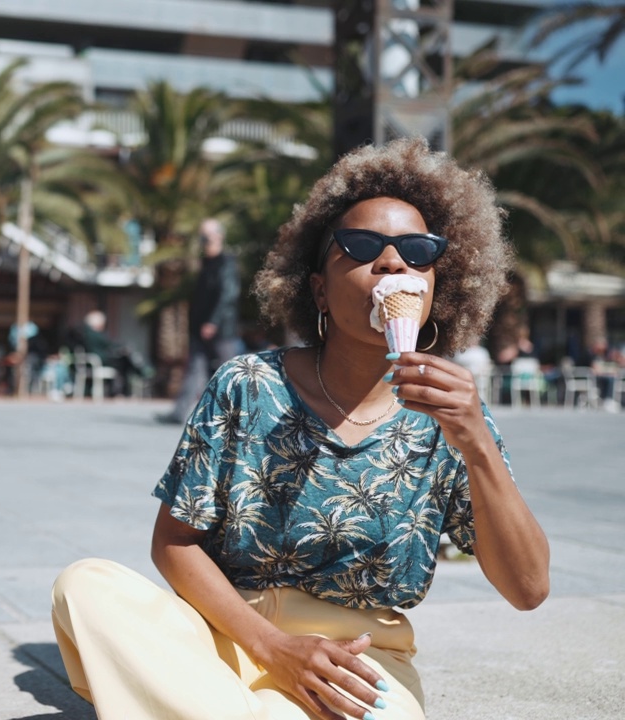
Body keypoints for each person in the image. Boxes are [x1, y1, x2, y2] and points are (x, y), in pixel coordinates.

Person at [52, 137, 549, 720]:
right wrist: (275, 650)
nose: (393, 263)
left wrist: (478, 445)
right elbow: (173, 544)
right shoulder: (247, 384)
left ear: (439, 283)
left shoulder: (456, 415)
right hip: (220, 637)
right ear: (317, 286)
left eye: (418, 251)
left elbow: (528, 589)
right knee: (85, 587)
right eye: (362, 246)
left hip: (360, 665)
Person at [158, 218, 241, 423]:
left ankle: (240, 417)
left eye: (207, 235)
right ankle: (179, 413)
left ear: (219, 236)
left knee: (229, 371)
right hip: (199, 329)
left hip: (221, 330)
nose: (203, 240)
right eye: (201, 236)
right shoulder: (205, 264)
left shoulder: (226, 263)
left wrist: (213, 322)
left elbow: (228, 295)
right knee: (194, 370)